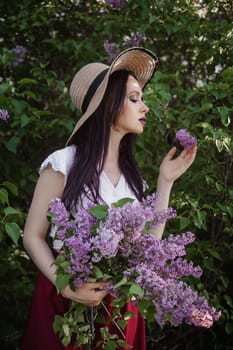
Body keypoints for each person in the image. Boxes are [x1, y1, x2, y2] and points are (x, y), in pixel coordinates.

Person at [21, 47, 197, 350]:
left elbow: (148, 251)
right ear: (108, 104)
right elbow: (32, 236)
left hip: (118, 305)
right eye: (134, 98)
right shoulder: (64, 163)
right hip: (64, 297)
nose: (144, 107)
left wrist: (165, 182)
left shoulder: (133, 179)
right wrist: (66, 287)